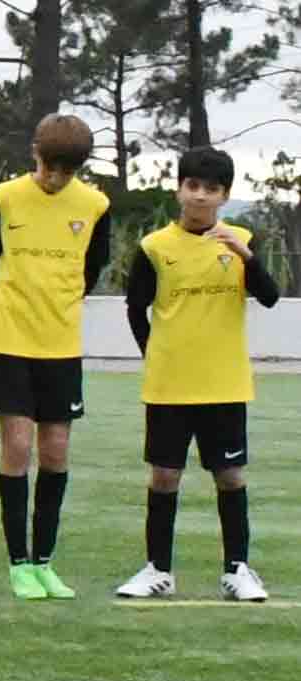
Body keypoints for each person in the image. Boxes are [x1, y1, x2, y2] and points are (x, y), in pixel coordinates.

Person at [113, 147, 276, 603]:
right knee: (164, 476)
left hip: (224, 383)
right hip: (169, 385)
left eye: (211, 189)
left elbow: (269, 297)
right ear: (179, 189)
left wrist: (246, 256)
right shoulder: (154, 247)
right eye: (193, 186)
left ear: (224, 195)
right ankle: (158, 570)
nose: (200, 196)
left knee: (230, 476)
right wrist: (155, 355)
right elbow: (135, 309)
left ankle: (237, 570)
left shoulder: (241, 240)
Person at [0, 114, 108, 599]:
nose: (55, 178)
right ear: (35, 154)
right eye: (51, 167)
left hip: (61, 345)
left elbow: (94, 267)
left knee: (55, 451)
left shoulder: (95, 205)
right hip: (9, 341)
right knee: (17, 448)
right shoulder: (2, 198)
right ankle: (19, 564)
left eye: (67, 172)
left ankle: (45, 562)